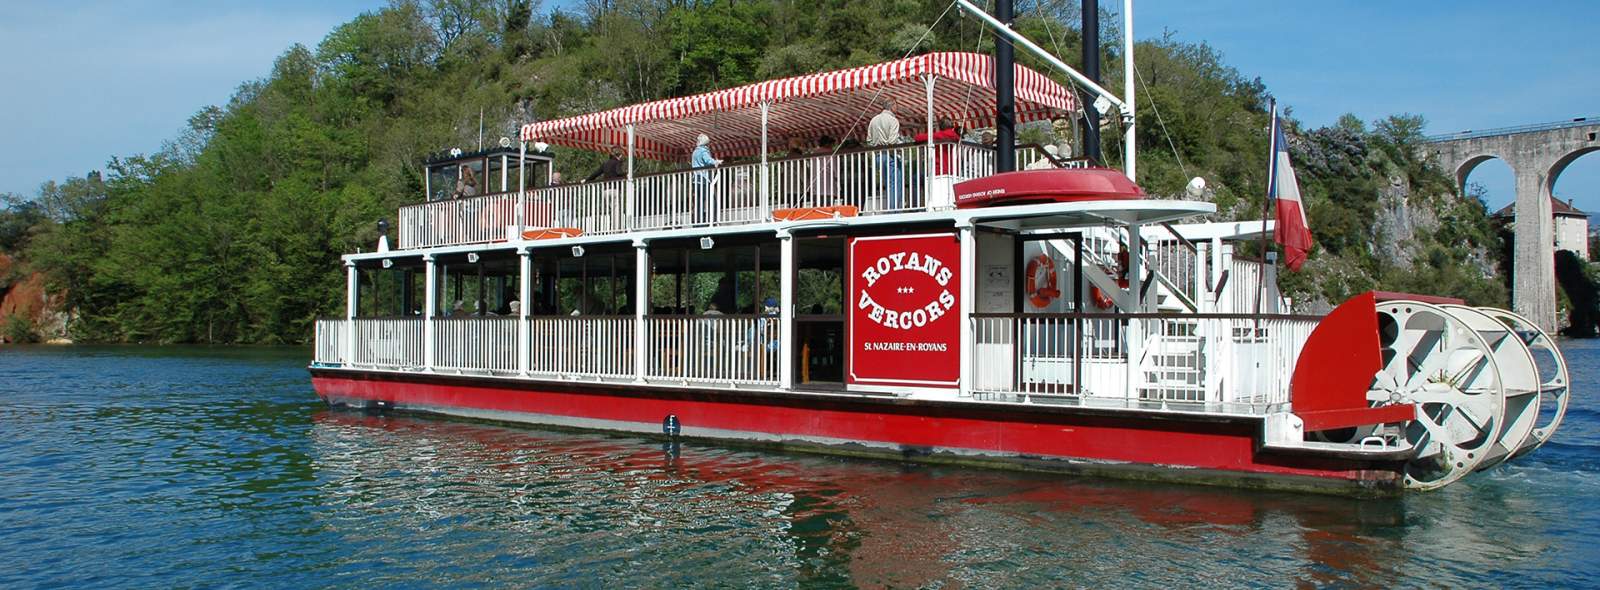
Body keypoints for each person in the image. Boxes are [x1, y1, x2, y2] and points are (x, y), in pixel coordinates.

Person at [866, 99, 904, 210]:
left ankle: (891, 208)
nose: (897, 108)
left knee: (888, 184)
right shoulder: (893, 120)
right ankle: (894, 210)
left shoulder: (873, 120)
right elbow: (892, 142)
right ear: (892, 106)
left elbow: (869, 140)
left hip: (878, 156)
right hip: (890, 155)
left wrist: (876, 147)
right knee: (895, 184)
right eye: (896, 106)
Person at [691, 133, 723, 225]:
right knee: (712, 200)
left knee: (698, 201)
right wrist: (716, 162)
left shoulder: (695, 152)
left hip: (695, 180)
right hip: (703, 179)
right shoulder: (703, 151)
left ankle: (698, 221)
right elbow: (708, 160)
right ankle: (713, 220)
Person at [808, 135, 839, 206]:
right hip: (828, 186)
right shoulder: (831, 153)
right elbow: (836, 169)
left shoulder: (813, 154)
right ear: (828, 144)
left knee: (817, 209)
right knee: (828, 208)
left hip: (815, 186)